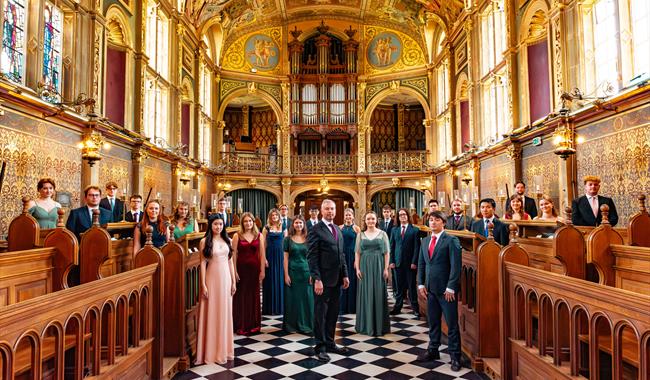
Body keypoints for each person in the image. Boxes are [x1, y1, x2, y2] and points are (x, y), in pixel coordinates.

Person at [417, 211, 462, 372]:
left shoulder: (451, 240)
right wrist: (421, 284)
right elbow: (421, 264)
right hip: (430, 290)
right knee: (433, 322)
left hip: (446, 291)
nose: (433, 222)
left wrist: (451, 286)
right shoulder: (425, 241)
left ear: (443, 222)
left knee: (452, 324)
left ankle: (455, 356)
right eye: (431, 220)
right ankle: (433, 350)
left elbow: (456, 266)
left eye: (437, 220)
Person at [307, 199, 350, 362]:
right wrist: (317, 279)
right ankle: (320, 347)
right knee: (320, 314)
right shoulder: (315, 229)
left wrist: (345, 274)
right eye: (327, 209)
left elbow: (342, 254)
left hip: (337, 279)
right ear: (321, 211)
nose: (330, 212)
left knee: (333, 314)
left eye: (332, 209)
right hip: (322, 281)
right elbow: (311, 256)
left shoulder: (337, 230)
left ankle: (331, 343)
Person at [195, 215, 236, 365]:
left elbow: (231, 262)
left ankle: (224, 350)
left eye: (221, 224)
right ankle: (210, 352)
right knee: (211, 311)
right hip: (212, 279)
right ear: (210, 225)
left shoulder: (228, 240)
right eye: (215, 224)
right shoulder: (204, 242)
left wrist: (233, 282)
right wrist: (203, 285)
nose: (218, 227)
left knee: (224, 313)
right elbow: (203, 264)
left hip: (225, 279)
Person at [355, 211, 390, 336]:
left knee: (379, 293)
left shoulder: (383, 234)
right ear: (365, 220)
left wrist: (386, 269)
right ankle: (366, 325)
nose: (370, 221)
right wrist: (357, 269)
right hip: (364, 266)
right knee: (366, 293)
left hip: (379, 265)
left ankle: (379, 326)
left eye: (373, 219)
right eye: (368, 219)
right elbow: (357, 253)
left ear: (376, 220)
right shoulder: (360, 235)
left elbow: (386, 253)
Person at [232, 212, 265, 335]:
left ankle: (254, 325)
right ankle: (240, 325)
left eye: (250, 221)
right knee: (241, 297)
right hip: (241, 270)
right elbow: (234, 255)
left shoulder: (259, 235)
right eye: (245, 221)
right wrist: (234, 271)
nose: (248, 223)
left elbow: (262, 254)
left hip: (254, 270)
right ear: (242, 223)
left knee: (254, 297)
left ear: (253, 222)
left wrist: (262, 271)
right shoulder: (237, 236)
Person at [282, 215, 314, 334]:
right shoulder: (287, 239)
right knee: (292, 300)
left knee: (307, 299)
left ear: (304, 225)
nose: (298, 225)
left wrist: (312, 274)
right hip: (292, 273)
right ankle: (292, 326)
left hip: (306, 273)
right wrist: (286, 275)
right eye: (296, 223)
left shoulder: (308, 238)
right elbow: (285, 258)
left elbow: (312, 257)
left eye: (300, 223)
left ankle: (307, 325)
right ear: (293, 225)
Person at [389, 208, 421, 318]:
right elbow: (391, 246)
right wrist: (391, 261)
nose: (402, 216)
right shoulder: (394, 230)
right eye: (400, 215)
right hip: (397, 263)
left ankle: (415, 309)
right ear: (398, 217)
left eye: (404, 214)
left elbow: (417, 248)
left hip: (410, 263)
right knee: (398, 287)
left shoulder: (414, 230)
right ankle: (397, 307)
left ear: (408, 216)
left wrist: (414, 262)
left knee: (412, 286)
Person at [262, 208, 286, 315]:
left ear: (279, 216)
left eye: (276, 215)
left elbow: (286, 244)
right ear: (270, 217)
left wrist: (286, 258)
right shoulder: (266, 228)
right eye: (272, 215)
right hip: (270, 256)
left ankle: (280, 307)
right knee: (270, 280)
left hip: (280, 256)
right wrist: (264, 259)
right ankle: (269, 308)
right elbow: (263, 245)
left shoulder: (284, 227)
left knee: (280, 280)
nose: (274, 217)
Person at [339, 208, 360, 315]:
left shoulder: (357, 229)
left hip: (352, 256)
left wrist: (356, 260)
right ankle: (342, 307)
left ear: (353, 216)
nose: (348, 217)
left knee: (352, 280)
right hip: (342, 256)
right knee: (342, 279)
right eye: (346, 215)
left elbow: (359, 245)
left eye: (350, 215)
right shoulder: (340, 228)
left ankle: (352, 307)